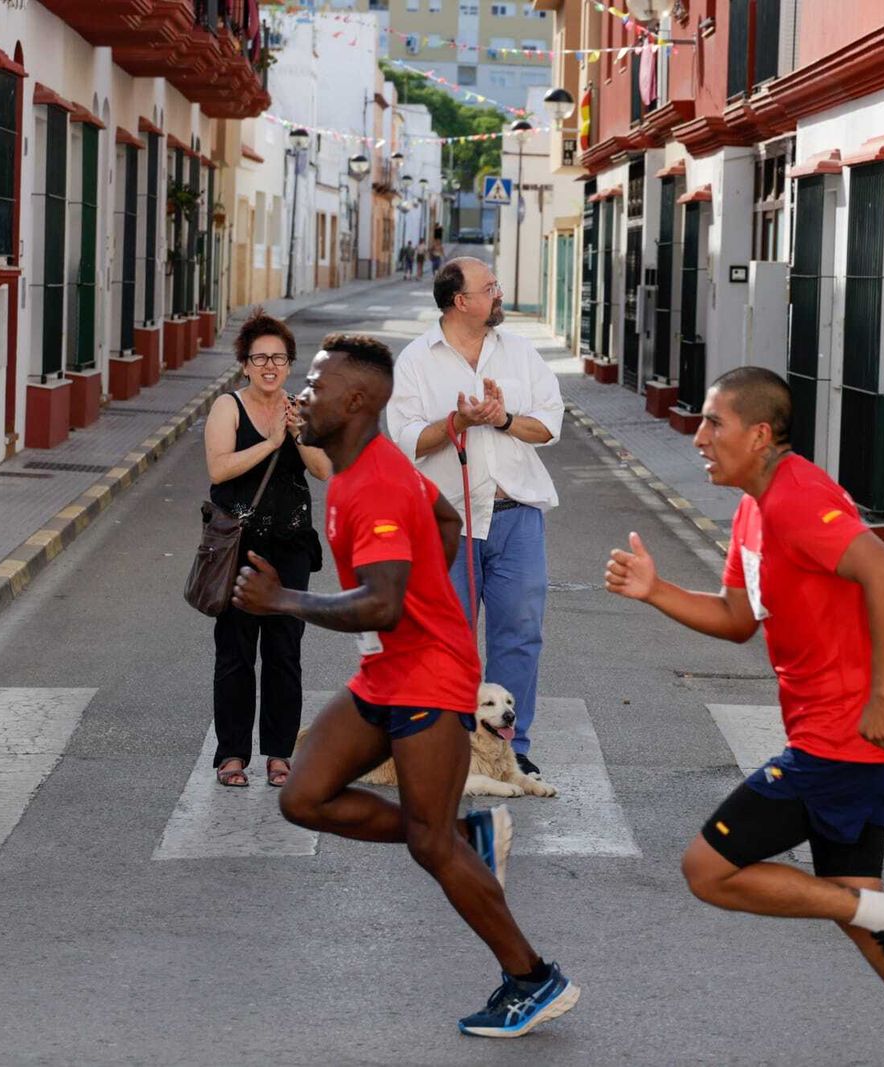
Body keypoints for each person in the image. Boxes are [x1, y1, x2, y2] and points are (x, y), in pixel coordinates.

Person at [606, 367, 884, 1067]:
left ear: (758, 434)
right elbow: (735, 619)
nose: (699, 435)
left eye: (714, 423)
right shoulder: (754, 507)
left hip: (844, 741)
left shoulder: (796, 498)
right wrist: (655, 589)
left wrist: (882, 693)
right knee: (859, 912)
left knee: (708, 868)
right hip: (842, 740)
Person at [232, 333, 579, 1037]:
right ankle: (462, 832)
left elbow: (382, 604)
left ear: (356, 399)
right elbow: (446, 520)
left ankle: (532, 976)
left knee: (432, 846)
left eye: (318, 384)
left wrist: (285, 603)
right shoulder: (363, 464)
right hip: (390, 670)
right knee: (304, 795)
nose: (303, 393)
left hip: (429, 677)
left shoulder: (378, 483)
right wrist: (435, 595)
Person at [387, 257, 563, 779]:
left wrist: (503, 419)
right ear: (461, 301)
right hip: (448, 526)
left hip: (517, 519)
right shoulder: (417, 360)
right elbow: (407, 442)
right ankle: (449, 746)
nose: (499, 292)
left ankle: (512, 746)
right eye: (489, 287)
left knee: (520, 634)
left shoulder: (520, 351)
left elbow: (550, 425)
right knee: (447, 642)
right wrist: (457, 421)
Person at [202, 310, 330, 788]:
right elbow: (219, 470)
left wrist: (296, 434)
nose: (270, 366)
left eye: (279, 358)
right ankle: (232, 755)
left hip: (290, 547)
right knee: (235, 652)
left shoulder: (302, 409)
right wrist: (270, 442)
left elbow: (323, 470)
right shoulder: (227, 409)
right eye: (261, 358)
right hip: (237, 547)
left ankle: (279, 754)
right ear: (246, 364)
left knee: (284, 652)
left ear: (290, 363)